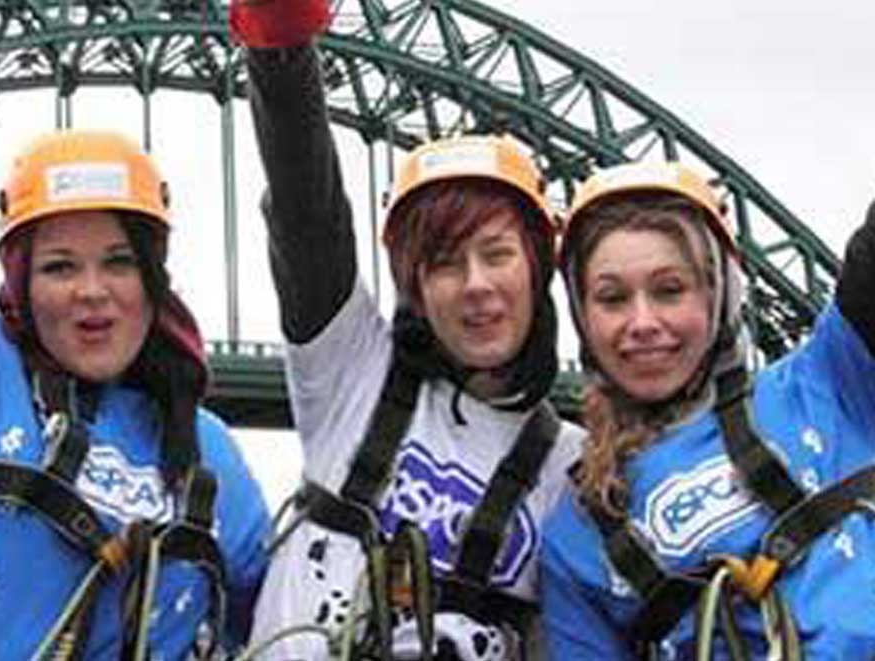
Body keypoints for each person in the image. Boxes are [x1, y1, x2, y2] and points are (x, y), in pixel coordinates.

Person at [228, 2, 585, 659]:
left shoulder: (576, 467)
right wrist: (281, 43)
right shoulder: (352, 371)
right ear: (415, 287)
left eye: (497, 255)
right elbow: (307, 212)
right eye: (445, 263)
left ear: (538, 266)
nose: (476, 284)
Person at [0, 129, 271, 659]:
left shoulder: (214, 457)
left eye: (120, 261)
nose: (92, 290)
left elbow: (291, 625)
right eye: (59, 266)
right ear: (21, 281)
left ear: (153, 277)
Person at [538, 161, 875, 659]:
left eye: (670, 290)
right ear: (583, 318)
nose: (642, 321)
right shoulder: (578, 535)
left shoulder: (830, 376)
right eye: (612, 298)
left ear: (718, 293)